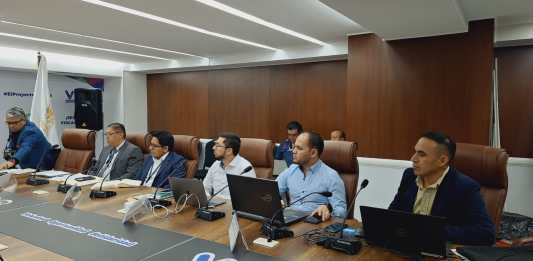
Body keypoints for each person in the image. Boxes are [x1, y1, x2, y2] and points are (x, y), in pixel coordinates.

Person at [389, 132, 495, 245]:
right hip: (407, 245)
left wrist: (434, 231)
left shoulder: (465, 187)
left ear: (442, 161)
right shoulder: (409, 176)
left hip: (438, 250)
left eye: (422, 154)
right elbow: (393, 213)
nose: (413, 159)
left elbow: (486, 233)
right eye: (415, 152)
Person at [277, 132, 347, 221]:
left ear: (313, 153)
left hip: (312, 224)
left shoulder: (331, 176)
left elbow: (342, 212)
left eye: (299, 148)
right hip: (288, 219)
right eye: (294, 146)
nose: (293, 151)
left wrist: (328, 209)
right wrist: (275, 202)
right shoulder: (291, 170)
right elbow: (271, 191)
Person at [203, 132, 256, 199]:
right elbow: (205, 187)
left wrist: (218, 200)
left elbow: (246, 198)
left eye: (217, 145)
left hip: (233, 207)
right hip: (214, 205)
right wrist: (208, 198)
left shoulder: (245, 169)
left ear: (229, 151)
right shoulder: (216, 164)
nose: (213, 148)